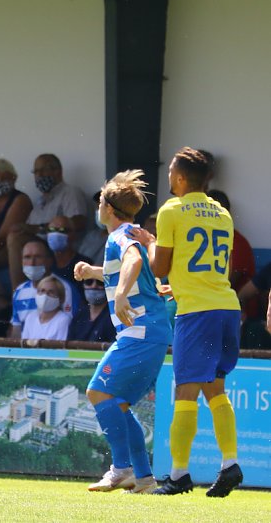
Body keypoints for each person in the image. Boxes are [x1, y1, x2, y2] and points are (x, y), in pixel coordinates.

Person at [129, 148, 243, 497]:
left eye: (170, 174)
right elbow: (208, 266)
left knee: (185, 391)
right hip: (227, 307)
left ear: (179, 178)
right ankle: (230, 463)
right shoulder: (223, 213)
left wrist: (149, 242)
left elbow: (159, 266)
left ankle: (178, 475)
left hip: (197, 313)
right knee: (216, 389)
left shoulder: (171, 210)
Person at [74, 169, 172, 495]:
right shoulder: (129, 232)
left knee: (97, 393)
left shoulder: (120, 236)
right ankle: (143, 478)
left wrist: (119, 295)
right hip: (152, 333)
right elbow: (126, 267)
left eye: (99, 201)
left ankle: (120, 469)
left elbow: (133, 262)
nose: (97, 206)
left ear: (108, 208)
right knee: (118, 403)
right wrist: (94, 271)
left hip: (140, 332)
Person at [7, 154, 87, 289]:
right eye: (36, 172)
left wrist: (37, 229)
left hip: (59, 251)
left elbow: (79, 222)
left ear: (58, 171)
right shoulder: (40, 201)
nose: (39, 175)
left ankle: (18, 293)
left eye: (43, 170)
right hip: (36, 252)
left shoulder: (70, 192)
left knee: (15, 239)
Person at [8, 237, 78, 339]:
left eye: (38, 257)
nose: (32, 263)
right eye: (27, 257)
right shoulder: (19, 291)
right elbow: (16, 331)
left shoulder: (64, 288)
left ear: (49, 261)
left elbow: (71, 325)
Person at [206, 190, 254, 294]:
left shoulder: (238, 242)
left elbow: (229, 283)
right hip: (207, 299)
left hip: (234, 305)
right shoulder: (203, 238)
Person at [46, 214, 92, 295]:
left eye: (63, 230)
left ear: (73, 234)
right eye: (52, 229)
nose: (56, 234)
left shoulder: (84, 264)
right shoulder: (44, 261)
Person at [20, 275, 71, 341]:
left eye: (51, 292)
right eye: (42, 291)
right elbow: (23, 346)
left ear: (61, 298)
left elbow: (60, 348)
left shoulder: (63, 320)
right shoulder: (30, 318)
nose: (45, 295)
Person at [67, 278, 117, 342]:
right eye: (89, 282)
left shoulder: (114, 315)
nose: (94, 286)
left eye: (100, 282)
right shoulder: (79, 315)